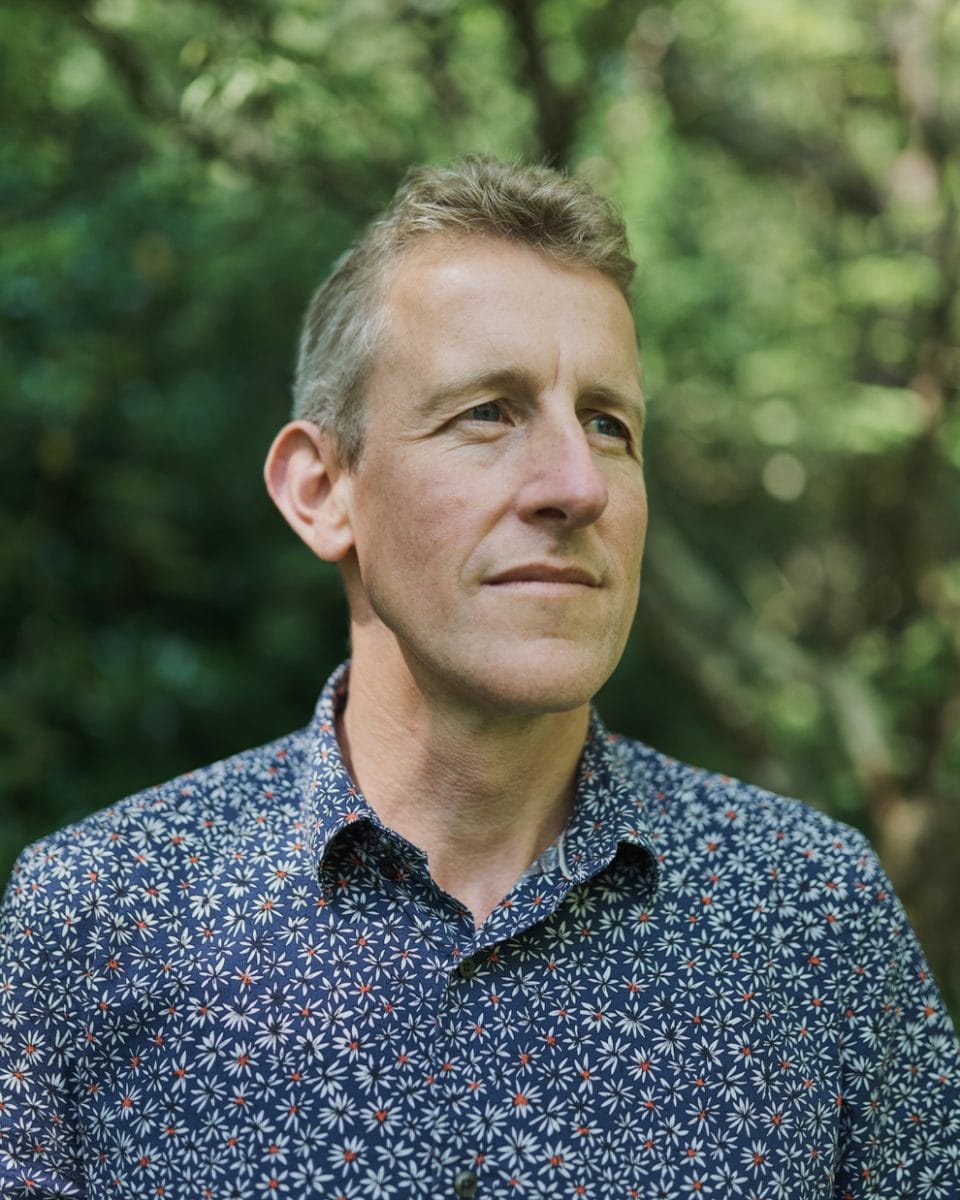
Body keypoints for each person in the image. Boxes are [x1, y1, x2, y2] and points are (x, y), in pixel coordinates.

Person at [1, 157, 957, 1200]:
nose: (578, 486)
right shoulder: (98, 921)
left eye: (608, 424)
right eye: (489, 413)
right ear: (323, 491)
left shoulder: (814, 917)